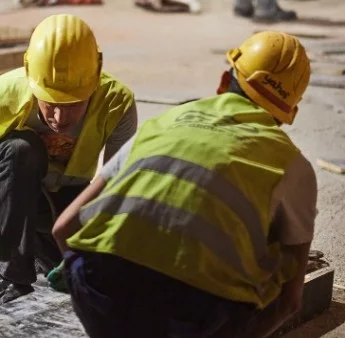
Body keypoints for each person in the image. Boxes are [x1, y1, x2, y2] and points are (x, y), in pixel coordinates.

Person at [52, 31, 316, 338]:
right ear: (287, 112)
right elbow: (290, 302)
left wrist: (84, 289)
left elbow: (64, 228)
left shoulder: (162, 124)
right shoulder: (295, 166)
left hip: (101, 292)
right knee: (277, 263)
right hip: (195, 316)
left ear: (222, 82)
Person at [0, 14, 137, 304]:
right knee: (20, 150)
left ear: (95, 79)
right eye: (50, 104)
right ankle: (12, 267)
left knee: (81, 274)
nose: (60, 118)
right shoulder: (4, 94)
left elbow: (116, 189)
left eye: (74, 105)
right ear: (29, 76)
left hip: (68, 197)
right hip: (9, 197)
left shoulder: (117, 104)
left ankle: (38, 250)